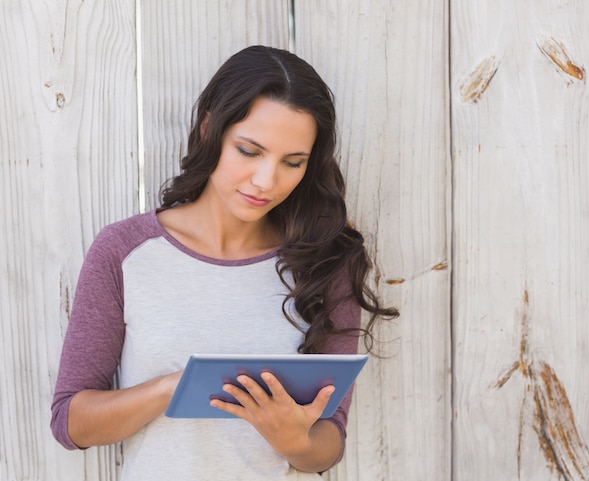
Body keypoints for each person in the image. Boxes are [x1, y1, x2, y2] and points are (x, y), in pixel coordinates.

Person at [51, 45, 398, 480]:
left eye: (293, 162)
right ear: (209, 129)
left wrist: (294, 441)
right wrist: (174, 387)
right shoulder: (125, 251)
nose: (266, 181)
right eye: (250, 151)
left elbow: (329, 443)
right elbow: (70, 422)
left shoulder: (325, 263)